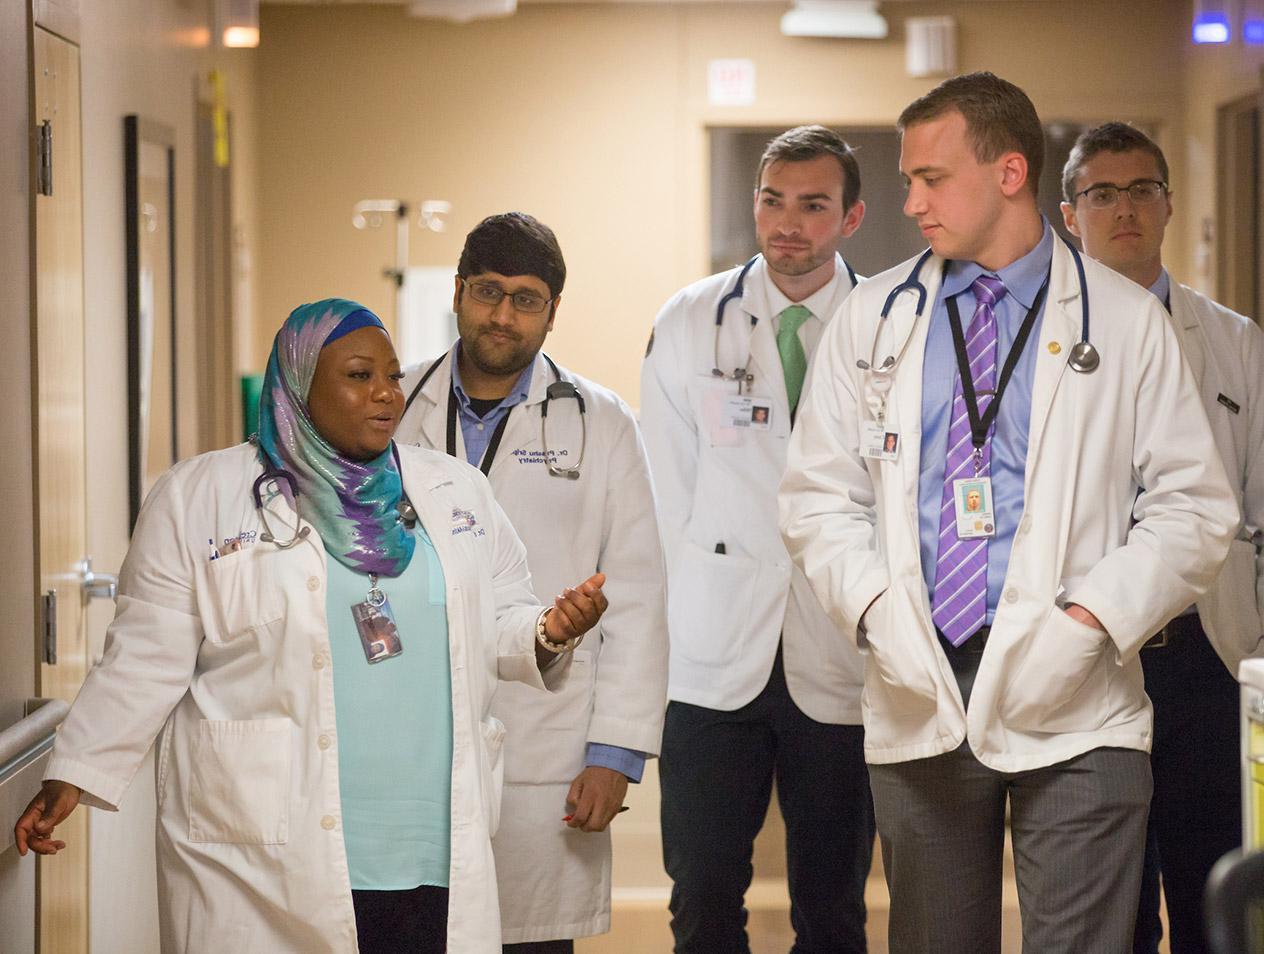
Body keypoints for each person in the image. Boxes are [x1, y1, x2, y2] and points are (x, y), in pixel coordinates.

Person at [778, 73, 1238, 952]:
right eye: (909, 179)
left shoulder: (1126, 321)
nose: (910, 202)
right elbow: (814, 498)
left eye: (931, 178)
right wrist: (877, 611)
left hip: (1079, 694)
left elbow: (1192, 507)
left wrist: (1087, 623)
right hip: (922, 681)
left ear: (1010, 173)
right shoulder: (875, 317)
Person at [14, 299, 609, 954]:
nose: (386, 393)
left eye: (391, 375)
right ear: (300, 384)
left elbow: (498, 621)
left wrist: (550, 628)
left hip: (429, 842)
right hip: (265, 850)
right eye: (359, 376)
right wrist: (74, 770)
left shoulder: (456, 492)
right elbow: (143, 657)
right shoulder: (200, 498)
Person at [396, 213, 668, 953]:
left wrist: (616, 754)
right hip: (403, 734)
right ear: (457, 291)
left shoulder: (604, 424)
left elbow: (638, 598)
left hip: (542, 745)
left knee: (528, 940)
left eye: (526, 298)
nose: (503, 315)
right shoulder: (391, 407)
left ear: (552, 311)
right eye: (488, 291)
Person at [640, 124, 873, 953]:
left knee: (832, 908)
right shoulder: (692, 320)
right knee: (702, 897)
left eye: (814, 205)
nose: (788, 223)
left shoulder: (888, 324)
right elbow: (663, 495)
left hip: (841, 651)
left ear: (851, 218)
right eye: (773, 200)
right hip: (712, 652)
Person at [1061, 122, 1264, 954]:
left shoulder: (1235, 341)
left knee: (1214, 889)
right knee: (1111, 907)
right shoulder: (1042, 344)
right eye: (1100, 194)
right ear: (1068, 214)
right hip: (1093, 655)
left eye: (1141, 189)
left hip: (1207, 656)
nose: (1123, 210)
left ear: (1170, 204)